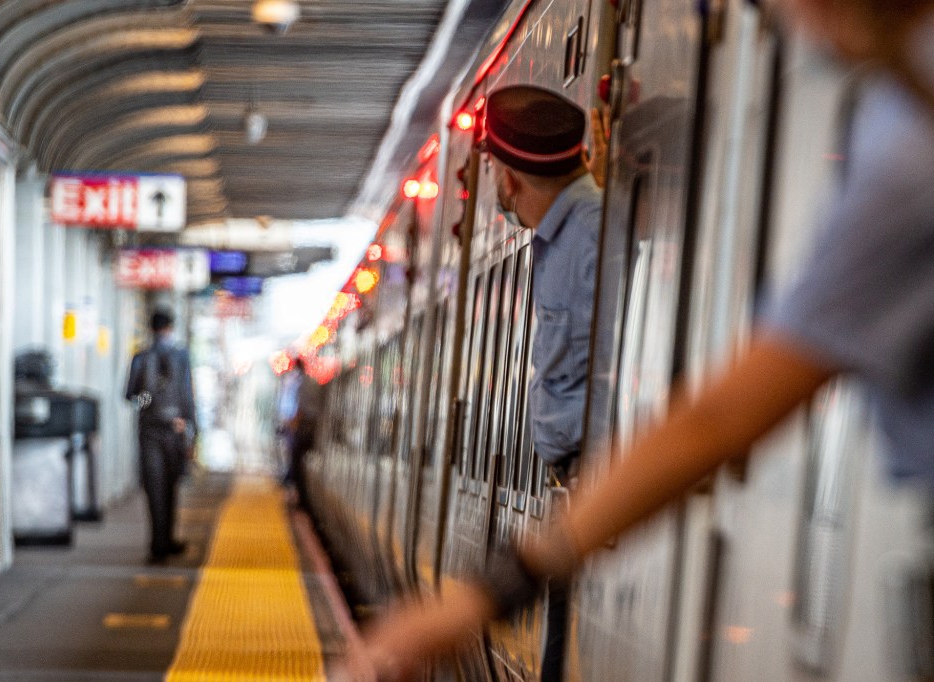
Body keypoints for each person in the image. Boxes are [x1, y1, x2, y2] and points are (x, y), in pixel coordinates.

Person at [350, 1, 934, 680]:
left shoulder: (908, 148)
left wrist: (495, 589)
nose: (791, 23)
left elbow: (721, 414)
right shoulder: (902, 118)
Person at [485, 84, 604, 681]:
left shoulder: (591, 236)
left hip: (590, 488)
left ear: (508, 180)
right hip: (567, 491)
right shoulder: (562, 237)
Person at [125, 308, 197, 565]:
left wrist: (149, 404)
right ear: (169, 328)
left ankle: (162, 542)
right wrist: (188, 425)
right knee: (168, 486)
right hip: (172, 431)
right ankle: (162, 542)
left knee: (157, 487)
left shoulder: (140, 357)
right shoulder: (180, 357)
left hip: (151, 431)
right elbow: (188, 395)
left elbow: (132, 397)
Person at [280, 357, 327, 508]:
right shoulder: (313, 382)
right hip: (316, 429)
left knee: (296, 462)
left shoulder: (301, 384)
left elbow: (299, 410)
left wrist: (291, 426)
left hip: (303, 429)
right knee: (302, 463)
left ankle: (298, 496)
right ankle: (300, 495)